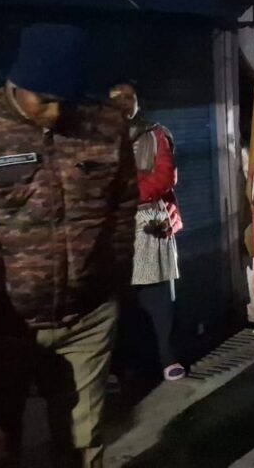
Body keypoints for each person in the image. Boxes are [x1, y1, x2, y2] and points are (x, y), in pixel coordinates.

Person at [0, 24, 137, 468]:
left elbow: (123, 206)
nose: (55, 112)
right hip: (2, 326)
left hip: (86, 319)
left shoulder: (105, 125)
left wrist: (113, 279)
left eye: (65, 101)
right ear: (17, 83)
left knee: (81, 443)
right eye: (45, 99)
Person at [109, 81, 185, 382]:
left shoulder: (155, 134)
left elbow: (164, 177)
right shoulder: (97, 137)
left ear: (138, 101)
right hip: (111, 223)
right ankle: (124, 363)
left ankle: (167, 357)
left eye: (129, 97)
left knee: (158, 295)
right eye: (116, 98)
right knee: (120, 299)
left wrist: (127, 193)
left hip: (147, 219)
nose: (123, 103)